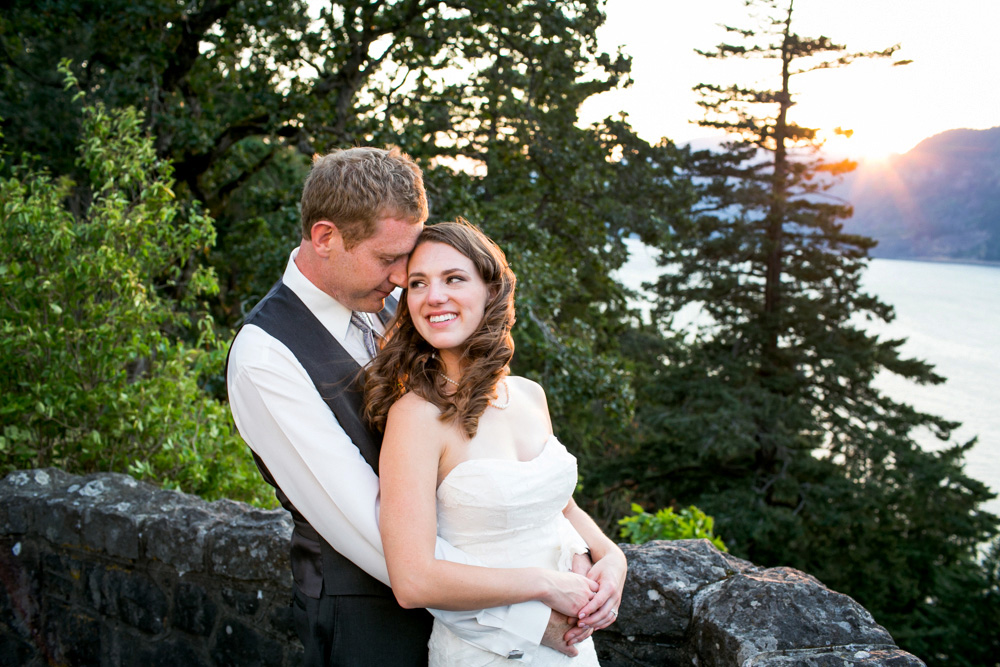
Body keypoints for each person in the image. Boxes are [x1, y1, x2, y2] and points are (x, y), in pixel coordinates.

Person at [226, 147, 609, 666]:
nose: (406, 279)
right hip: (368, 623)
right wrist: (527, 613)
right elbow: (365, 524)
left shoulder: (397, 306)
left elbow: (497, 474)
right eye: (390, 260)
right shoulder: (266, 356)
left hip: (471, 604)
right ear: (325, 238)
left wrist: (597, 555)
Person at [364, 219, 628, 665]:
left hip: (574, 650)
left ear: (490, 289)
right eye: (418, 284)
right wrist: (546, 584)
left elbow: (560, 505)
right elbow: (413, 581)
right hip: (487, 652)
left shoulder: (528, 394)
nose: (434, 297)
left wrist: (613, 558)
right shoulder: (415, 417)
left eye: (454, 279)